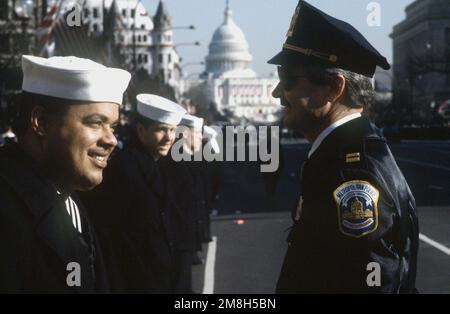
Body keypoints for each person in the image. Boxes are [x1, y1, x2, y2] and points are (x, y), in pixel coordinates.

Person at [269, 1, 419, 293]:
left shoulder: (354, 171)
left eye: (286, 78)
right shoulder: (339, 156)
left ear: (334, 88)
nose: (277, 93)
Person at [0, 55, 131, 293]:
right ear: (41, 122)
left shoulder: (65, 193)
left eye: (112, 127)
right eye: (95, 123)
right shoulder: (8, 209)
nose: (111, 139)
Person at [81, 93, 186, 293]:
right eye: (161, 130)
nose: (168, 138)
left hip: (160, 276)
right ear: (140, 130)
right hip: (136, 281)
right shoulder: (123, 170)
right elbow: (108, 235)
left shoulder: (160, 165)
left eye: (172, 130)